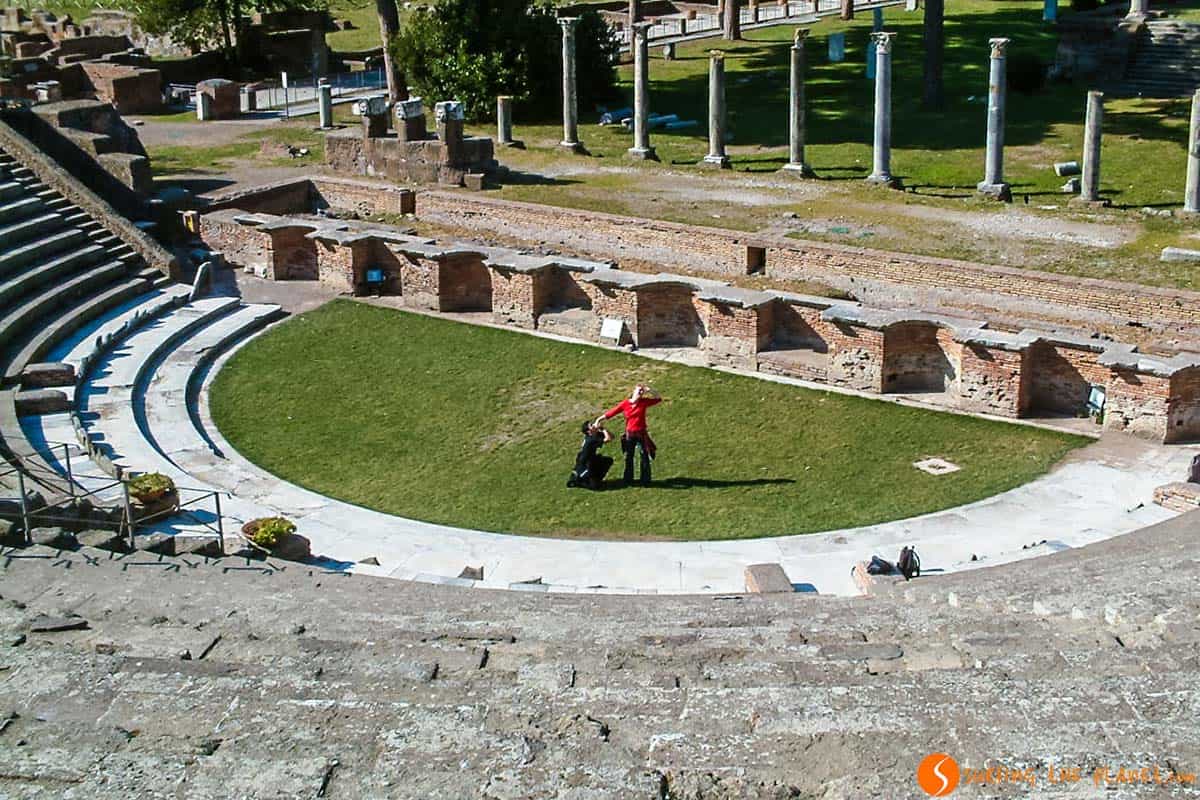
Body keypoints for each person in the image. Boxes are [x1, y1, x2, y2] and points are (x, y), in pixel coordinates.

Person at [595, 384, 663, 486]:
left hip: (641, 433)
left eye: (642, 392)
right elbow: (612, 412)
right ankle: (628, 479)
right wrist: (599, 419)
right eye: (639, 391)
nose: (641, 393)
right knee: (629, 456)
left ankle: (645, 480)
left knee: (644, 455)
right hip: (630, 434)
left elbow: (658, 399)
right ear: (633, 391)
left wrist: (650, 390)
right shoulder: (625, 404)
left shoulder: (643, 402)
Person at [567, 421, 614, 490]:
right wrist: (603, 429)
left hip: (592, 459)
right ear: (589, 431)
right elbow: (608, 439)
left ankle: (597, 479)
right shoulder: (591, 439)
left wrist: (603, 430)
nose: (594, 425)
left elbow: (612, 437)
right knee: (595, 486)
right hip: (585, 463)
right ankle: (577, 481)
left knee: (608, 461)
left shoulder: (595, 435)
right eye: (591, 425)